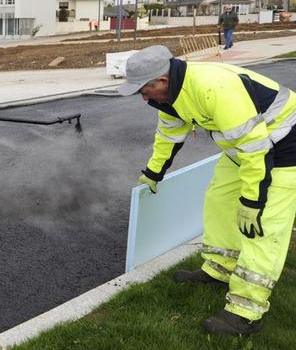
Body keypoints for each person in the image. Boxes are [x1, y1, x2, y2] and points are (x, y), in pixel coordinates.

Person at [118, 45, 296, 336]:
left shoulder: (215, 89)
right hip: (244, 149)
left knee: (262, 226)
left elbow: (257, 150)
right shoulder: (170, 97)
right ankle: (220, 270)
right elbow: (168, 136)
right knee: (219, 201)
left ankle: (246, 310)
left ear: (162, 80)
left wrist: (253, 200)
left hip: (286, 146)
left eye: (144, 89)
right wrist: (153, 172)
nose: (143, 97)